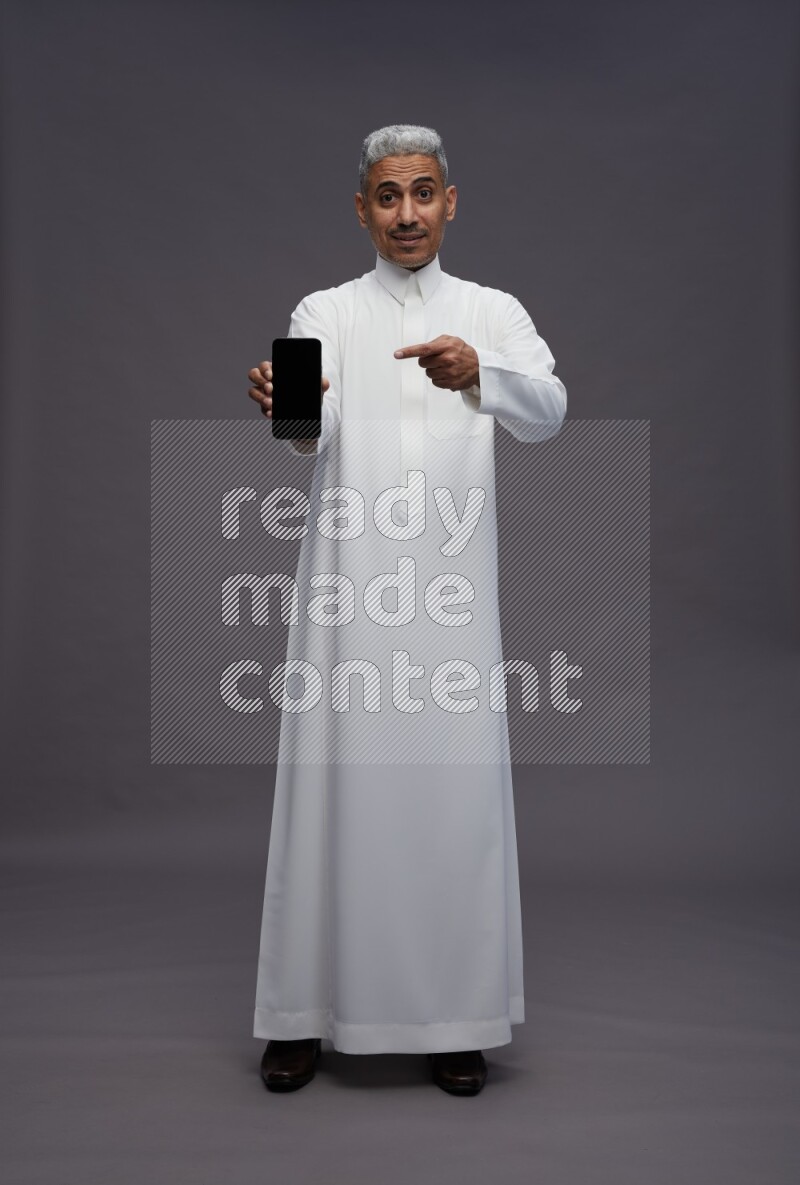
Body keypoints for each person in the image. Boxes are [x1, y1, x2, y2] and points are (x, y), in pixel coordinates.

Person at [246, 124, 567, 1095]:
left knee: (449, 800)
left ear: (450, 201)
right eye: (387, 197)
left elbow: (548, 410)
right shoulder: (323, 310)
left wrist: (484, 374)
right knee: (327, 796)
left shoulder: (490, 311)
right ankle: (302, 1014)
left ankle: (453, 1016)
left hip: (452, 602)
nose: (406, 214)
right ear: (362, 210)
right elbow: (309, 429)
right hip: (350, 598)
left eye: (422, 193)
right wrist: (282, 403)